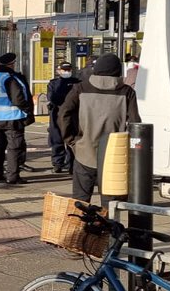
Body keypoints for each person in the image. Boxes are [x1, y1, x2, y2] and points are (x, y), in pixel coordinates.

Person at [58, 53, 140, 204]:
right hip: (114, 156)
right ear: (118, 70)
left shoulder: (80, 89)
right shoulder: (127, 92)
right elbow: (136, 124)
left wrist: (70, 140)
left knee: (80, 202)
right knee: (111, 205)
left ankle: (81, 227)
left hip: (84, 151)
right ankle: (108, 227)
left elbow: (64, 113)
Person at [0, 52, 34, 185]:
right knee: (14, 147)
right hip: (12, 118)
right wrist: (27, 111)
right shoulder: (10, 78)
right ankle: (12, 176)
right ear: (11, 64)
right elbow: (18, 98)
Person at [45, 62, 78, 174]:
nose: (66, 71)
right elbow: (51, 97)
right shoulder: (54, 84)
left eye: (68, 69)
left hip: (70, 115)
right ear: (59, 71)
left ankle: (70, 164)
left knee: (70, 139)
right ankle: (58, 164)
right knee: (57, 139)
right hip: (58, 114)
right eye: (64, 69)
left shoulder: (76, 83)